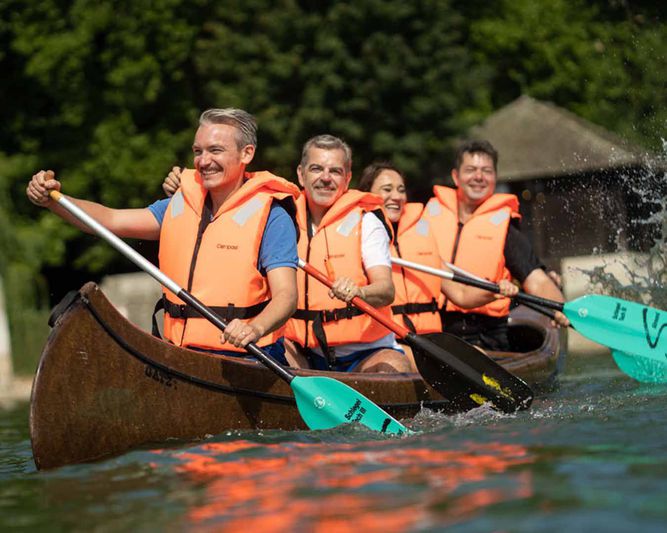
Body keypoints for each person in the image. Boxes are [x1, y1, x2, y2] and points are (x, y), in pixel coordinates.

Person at [26, 108, 300, 363]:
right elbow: (109, 219)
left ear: (246, 153)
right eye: (198, 151)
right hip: (179, 353)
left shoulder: (272, 217)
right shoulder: (177, 205)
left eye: (215, 150)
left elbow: (286, 296)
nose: (204, 161)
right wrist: (55, 200)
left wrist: (255, 327)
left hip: (248, 357)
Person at [422, 139, 568, 351]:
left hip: (482, 335)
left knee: (470, 353)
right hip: (432, 327)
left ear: (494, 177)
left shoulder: (505, 230)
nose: (479, 177)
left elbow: (536, 281)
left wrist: (559, 308)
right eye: (471, 170)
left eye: (486, 171)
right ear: (456, 176)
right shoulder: (427, 219)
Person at [357, 161, 518, 335]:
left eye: (401, 190)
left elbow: (461, 295)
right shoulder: (357, 240)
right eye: (387, 189)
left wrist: (496, 291)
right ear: (368, 194)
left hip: (429, 338)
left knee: (479, 358)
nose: (397, 196)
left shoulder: (419, 238)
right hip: (388, 340)